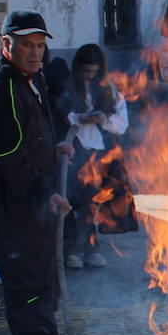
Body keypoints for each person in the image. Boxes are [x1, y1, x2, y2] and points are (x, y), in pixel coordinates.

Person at [0, 10, 76, 335]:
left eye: (39, 45)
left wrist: (57, 142)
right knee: (27, 278)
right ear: (6, 45)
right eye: (26, 45)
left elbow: (37, 129)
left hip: (34, 199)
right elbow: (6, 158)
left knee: (44, 271)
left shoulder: (31, 79)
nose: (34, 52)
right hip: (15, 202)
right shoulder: (0, 88)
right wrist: (42, 194)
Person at [60, 43, 130, 269]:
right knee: (72, 200)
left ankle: (88, 247)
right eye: (86, 72)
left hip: (100, 152)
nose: (89, 76)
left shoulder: (110, 90)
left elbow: (121, 124)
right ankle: (73, 248)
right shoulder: (69, 87)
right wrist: (78, 119)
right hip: (75, 150)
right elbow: (58, 113)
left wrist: (103, 119)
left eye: (93, 72)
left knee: (92, 202)